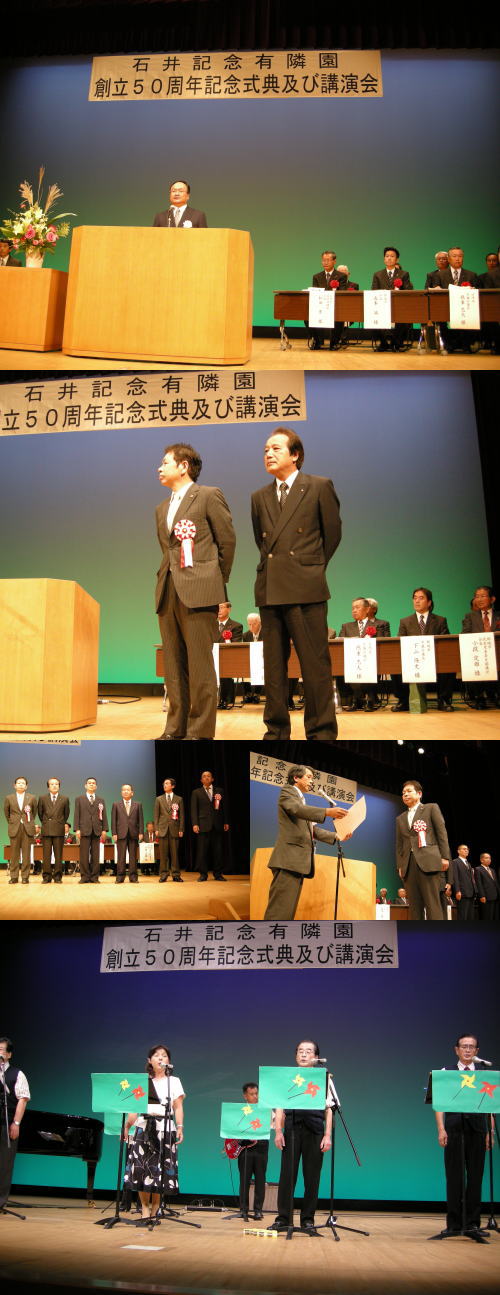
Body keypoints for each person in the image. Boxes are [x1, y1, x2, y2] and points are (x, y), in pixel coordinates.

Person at [251, 428, 341, 740]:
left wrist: (309, 567)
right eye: (266, 449)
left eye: (276, 448)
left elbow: (332, 535)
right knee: (274, 669)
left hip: (306, 589)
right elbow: (262, 542)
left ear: (295, 454)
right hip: (270, 589)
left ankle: (321, 731)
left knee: (315, 666)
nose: (268, 454)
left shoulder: (318, 486)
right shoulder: (259, 496)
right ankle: (276, 732)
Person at [155, 442, 236, 740]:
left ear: (183, 466)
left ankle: (200, 731)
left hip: (200, 590)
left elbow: (227, 541)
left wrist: (214, 582)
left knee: (200, 665)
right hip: (168, 590)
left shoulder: (208, 495)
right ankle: (175, 729)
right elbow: (168, 551)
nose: (159, 468)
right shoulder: (161, 508)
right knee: (174, 666)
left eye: (165, 462)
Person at [263, 766, 348, 920]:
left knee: (287, 913)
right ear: (296, 778)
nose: (311, 781)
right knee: (279, 912)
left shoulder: (302, 801)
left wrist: (337, 836)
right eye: (308, 777)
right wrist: (326, 812)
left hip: (297, 863)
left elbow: (311, 830)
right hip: (288, 861)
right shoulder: (288, 791)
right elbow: (296, 809)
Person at [272, 1040, 334, 1236]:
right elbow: (279, 1107)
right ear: (296, 1056)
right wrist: (278, 1131)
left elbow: (329, 1109)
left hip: (315, 1131)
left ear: (316, 1057)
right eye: (300, 1051)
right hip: (291, 1131)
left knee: (312, 1178)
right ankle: (283, 1219)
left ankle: (308, 1220)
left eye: (308, 1051)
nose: (304, 1054)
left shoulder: (324, 1078)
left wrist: (327, 1135)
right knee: (287, 1177)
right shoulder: (288, 1078)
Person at [434, 1034, 493, 1239]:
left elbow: (490, 1105)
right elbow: (439, 1104)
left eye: (471, 1047)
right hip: (454, 1129)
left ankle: (472, 1223)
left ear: (477, 1051)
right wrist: (441, 1129)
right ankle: (454, 1223)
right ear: (456, 1050)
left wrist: (490, 1131)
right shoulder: (446, 1073)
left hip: (478, 1130)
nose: (467, 1050)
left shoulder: (483, 1074)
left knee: (475, 1177)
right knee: (454, 1177)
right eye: (464, 1046)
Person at [124, 1044, 185, 1223]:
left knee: (160, 1170)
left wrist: (180, 1127)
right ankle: (144, 1209)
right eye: (156, 1055)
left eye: (164, 1055)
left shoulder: (174, 1081)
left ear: (168, 1061)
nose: (160, 1058)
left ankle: (155, 1209)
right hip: (143, 1126)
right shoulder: (143, 1081)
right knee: (141, 1169)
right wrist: (127, 1127)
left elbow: (178, 1106)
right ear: (149, 1060)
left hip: (164, 1128)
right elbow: (134, 1109)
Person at [395, 780, 451, 920]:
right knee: (414, 906)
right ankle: (417, 933)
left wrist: (445, 857)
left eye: (409, 791)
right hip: (408, 865)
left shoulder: (431, 808)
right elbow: (399, 844)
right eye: (403, 793)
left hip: (428, 862)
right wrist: (400, 865)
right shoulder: (400, 818)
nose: (405, 794)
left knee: (433, 904)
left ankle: (436, 933)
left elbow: (441, 833)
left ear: (419, 794)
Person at [391, 587, 454, 712]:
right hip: (413, 660)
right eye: (415, 598)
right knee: (395, 666)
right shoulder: (405, 621)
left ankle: (444, 700)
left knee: (448, 664)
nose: (417, 601)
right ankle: (404, 700)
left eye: (421, 598)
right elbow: (400, 642)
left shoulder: (440, 620)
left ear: (429, 602)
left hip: (434, 659)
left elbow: (445, 643)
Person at [338, 596, 385, 711]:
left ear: (367, 609)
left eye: (357, 607)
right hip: (352, 660)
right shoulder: (346, 626)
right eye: (353, 608)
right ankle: (358, 699)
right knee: (349, 667)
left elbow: (382, 643)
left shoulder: (378, 625)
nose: (354, 610)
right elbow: (340, 642)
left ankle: (369, 699)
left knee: (370, 666)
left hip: (371, 659)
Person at [0, 1036, 30, 1215]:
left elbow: (23, 1099)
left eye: (1, 1050)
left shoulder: (17, 1074)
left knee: (4, 1164)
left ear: (9, 1054)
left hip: (5, 1122)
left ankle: (0, 1201)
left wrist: (16, 1123)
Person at [461, 586, 499, 709]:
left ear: (492, 599)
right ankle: (479, 697)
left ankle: (496, 696)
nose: (479, 599)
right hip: (478, 653)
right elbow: (465, 635)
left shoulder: (498, 616)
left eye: (483, 596)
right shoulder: (470, 616)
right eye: (477, 596)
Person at [437, 248, 479, 353]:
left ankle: (466, 344)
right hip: (445, 308)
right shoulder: (440, 275)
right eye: (454, 256)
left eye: (460, 256)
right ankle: (449, 345)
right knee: (441, 318)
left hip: (465, 309)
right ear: (448, 259)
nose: (457, 259)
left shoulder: (471, 275)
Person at [237, 1082, 269, 1221]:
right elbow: (234, 1127)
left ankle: (258, 1210)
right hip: (246, 1148)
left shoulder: (265, 1109)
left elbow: (274, 1123)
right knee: (244, 1180)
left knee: (260, 1180)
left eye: (256, 1093)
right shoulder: (240, 1111)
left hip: (261, 1147)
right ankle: (243, 1209)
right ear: (245, 1096)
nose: (255, 1096)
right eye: (252, 1094)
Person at [190, 771, 229, 881]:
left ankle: (218, 874)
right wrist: (195, 824)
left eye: (208, 776)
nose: (206, 778)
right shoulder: (196, 792)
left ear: (212, 779)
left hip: (217, 824)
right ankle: (203, 874)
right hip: (203, 825)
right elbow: (194, 809)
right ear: (201, 780)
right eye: (204, 776)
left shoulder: (219, 791)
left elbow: (224, 807)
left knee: (218, 851)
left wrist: (226, 822)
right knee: (202, 852)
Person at [308, 251, 347, 350]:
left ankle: (334, 343)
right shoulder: (317, 276)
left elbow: (342, 293)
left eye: (328, 260)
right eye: (323, 260)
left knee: (339, 316)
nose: (325, 262)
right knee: (307, 316)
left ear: (334, 261)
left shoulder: (341, 276)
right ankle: (317, 341)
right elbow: (315, 292)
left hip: (335, 306)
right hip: (320, 306)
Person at [73, 778, 108, 884]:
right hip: (84, 830)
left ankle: (94, 877)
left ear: (96, 786)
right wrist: (77, 829)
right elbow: (77, 814)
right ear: (85, 785)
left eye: (93, 783)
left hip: (97, 830)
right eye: (89, 783)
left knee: (95, 855)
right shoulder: (79, 799)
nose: (91, 785)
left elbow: (104, 815)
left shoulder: (101, 800)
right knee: (83, 855)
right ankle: (84, 877)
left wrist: (104, 829)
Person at [4, 777, 38, 885]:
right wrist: (13, 822)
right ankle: (14, 877)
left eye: (23, 783)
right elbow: (7, 813)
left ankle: (25, 877)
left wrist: (27, 822)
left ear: (26, 786)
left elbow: (34, 813)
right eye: (18, 783)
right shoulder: (9, 798)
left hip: (27, 828)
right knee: (14, 854)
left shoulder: (31, 797)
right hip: (15, 828)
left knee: (26, 854)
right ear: (14, 785)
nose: (21, 784)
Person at [37, 777, 70, 884]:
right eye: (52, 784)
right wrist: (47, 823)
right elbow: (40, 814)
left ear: (59, 786)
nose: (54, 786)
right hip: (47, 829)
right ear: (48, 787)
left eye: (56, 784)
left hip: (59, 829)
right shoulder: (42, 798)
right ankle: (46, 877)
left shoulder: (64, 799)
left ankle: (58, 876)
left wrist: (59, 823)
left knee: (58, 855)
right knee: (46, 855)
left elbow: (66, 814)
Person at [111, 784, 144, 884]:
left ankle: (133, 877)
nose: (125, 791)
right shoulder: (116, 804)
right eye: (124, 790)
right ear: (121, 792)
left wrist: (141, 832)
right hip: (120, 834)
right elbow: (113, 820)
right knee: (121, 857)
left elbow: (141, 820)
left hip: (134, 833)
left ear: (132, 793)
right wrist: (114, 833)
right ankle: (120, 877)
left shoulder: (138, 804)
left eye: (128, 790)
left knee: (133, 857)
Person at [154, 778, 184, 882]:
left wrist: (181, 828)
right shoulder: (159, 799)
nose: (164, 785)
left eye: (167, 783)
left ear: (173, 786)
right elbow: (156, 815)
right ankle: (164, 874)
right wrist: (156, 828)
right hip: (162, 829)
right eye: (164, 784)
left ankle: (176, 874)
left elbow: (182, 815)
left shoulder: (179, 799)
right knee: (163, 854)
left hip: (174, 829)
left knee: (175, 854)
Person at [217, 600, 243, 710]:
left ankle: (226, 699)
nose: (219, 610)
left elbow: (235, 644)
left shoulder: (236, 626)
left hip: (227, 658)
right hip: (212, 656)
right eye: (218, 607)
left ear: (229, 609)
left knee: (225, 669)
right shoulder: (211, 625)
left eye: (222, 607)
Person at [451, 845, 477, 921]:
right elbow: (455, 877)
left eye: (467, 849)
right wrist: (457, 891)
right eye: (464, 849)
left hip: (471, 893)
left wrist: (475, 890)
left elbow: (471, 879)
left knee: (470, 916)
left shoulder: (468, 863)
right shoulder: (455, 862)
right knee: (463, 915)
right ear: (458, 851)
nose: (466, 850)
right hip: (462, 893)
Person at [242, 613, 264, 705]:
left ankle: (257, 694)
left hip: (263, 659)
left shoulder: (266, 633)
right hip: (251, 660)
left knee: (260, 667)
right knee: (243, 667)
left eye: (254, 624)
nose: (252, 627)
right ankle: (248, 694)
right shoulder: (245, 635)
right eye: (249, 624)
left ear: (260, 623)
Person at [475, 853, 500, 920]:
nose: (489, 859)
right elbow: (479, 883)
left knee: (495, 916)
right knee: (487, 916)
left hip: (495, 897)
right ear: (481, 860)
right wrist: (482, 895)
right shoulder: (478, 869)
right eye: (486, 858)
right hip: (486, 897)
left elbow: (496, 883)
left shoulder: (492, 870)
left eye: (490, 858)